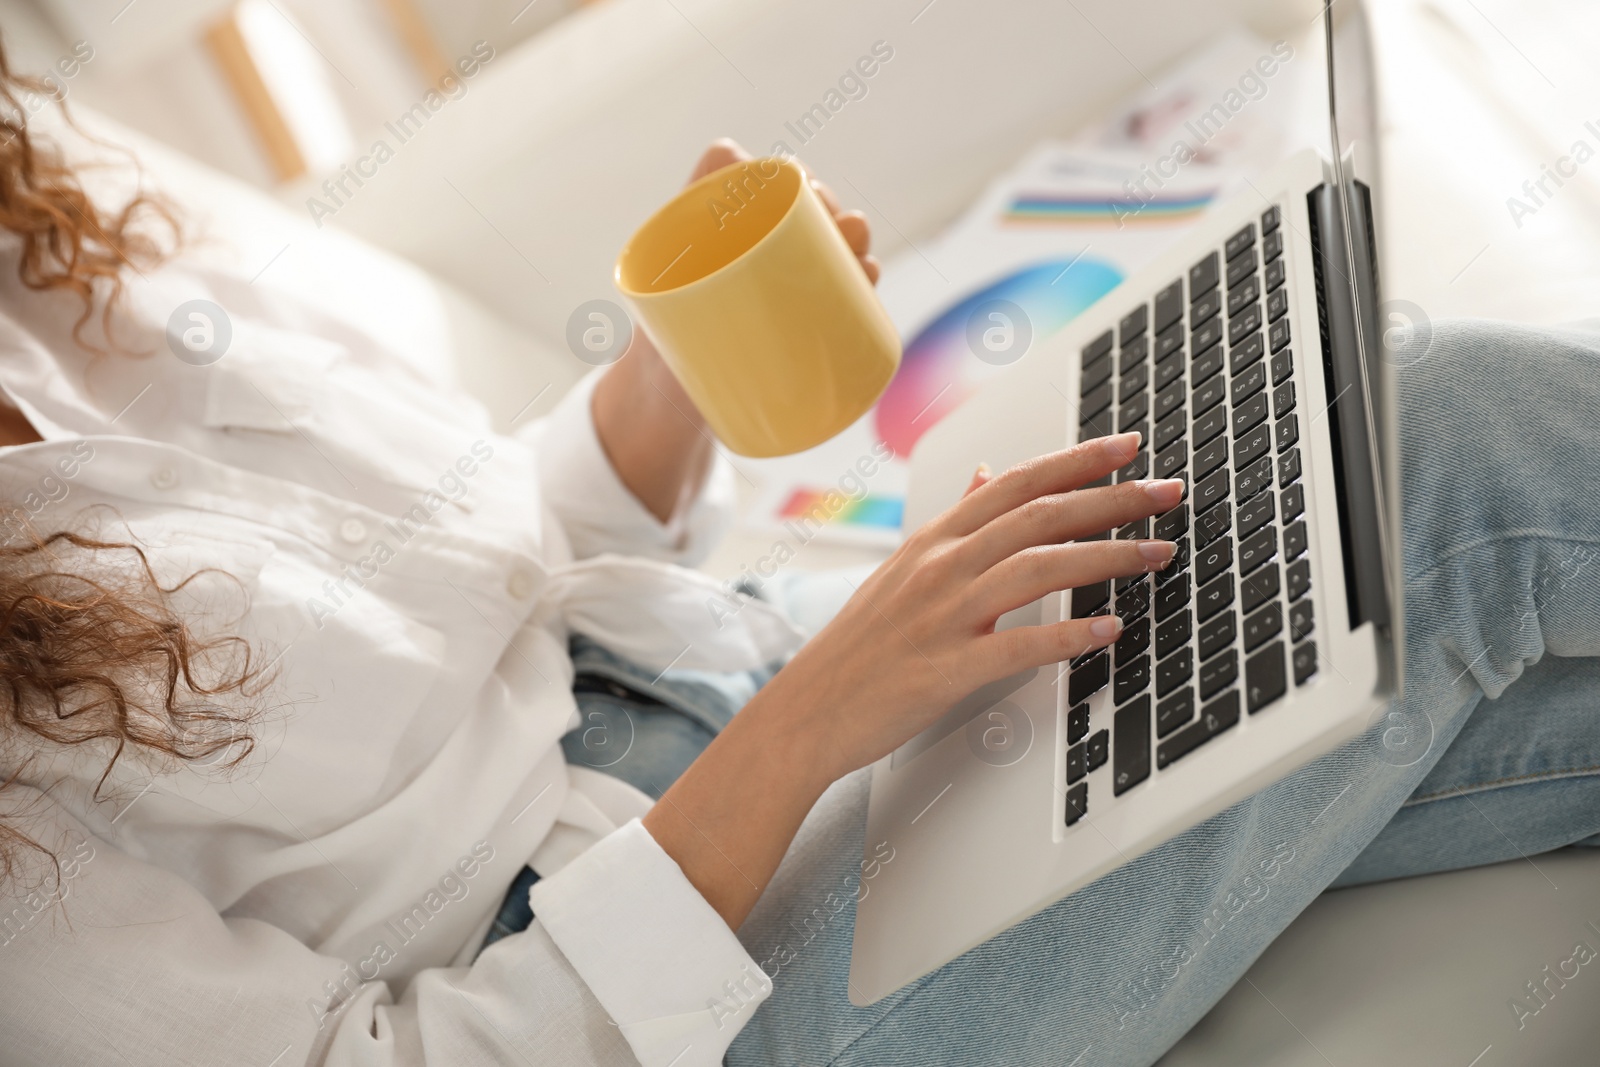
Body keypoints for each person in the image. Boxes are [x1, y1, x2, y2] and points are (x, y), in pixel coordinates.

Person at [1, 42, 1598, 1067]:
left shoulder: (49, 261)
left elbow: (494, 561)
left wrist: (668, 381)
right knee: (1429, 464)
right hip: (648, 1002)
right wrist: (805, 733)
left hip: (717, 674)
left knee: (1324, 506)